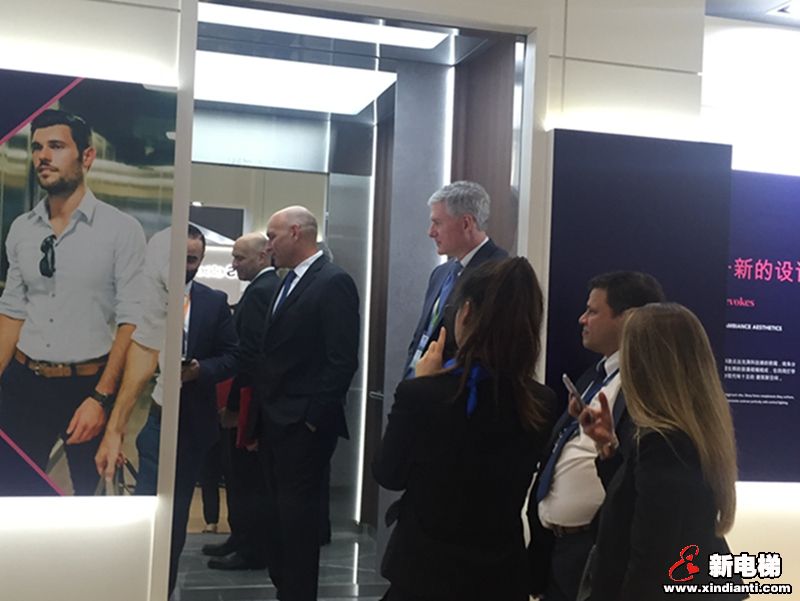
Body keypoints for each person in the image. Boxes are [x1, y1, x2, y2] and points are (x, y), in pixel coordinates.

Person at [374, 258, 559, 601]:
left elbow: (389, 474)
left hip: (425, 573)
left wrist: (423, 382)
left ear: (466, 312)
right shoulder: (542, 403)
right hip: (500, 575)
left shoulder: (423, 395)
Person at [0, 109, 146, 495]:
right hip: (22, 383)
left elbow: (131, 320)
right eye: (37, 148)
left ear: (87, 156)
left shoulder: (121, 230)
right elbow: (12, 311)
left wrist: (101, 397)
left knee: (87, 501)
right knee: (11, 495)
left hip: (87, 386)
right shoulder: (22, 229)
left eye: (56, 146)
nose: (43, 157)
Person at [575, 303, 744, 600]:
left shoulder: (664, 444)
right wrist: (608, 448)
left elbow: (651, 565)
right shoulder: (684, 436)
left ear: (642, 365)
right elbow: (638, 506)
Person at [245, 206, 359, 601]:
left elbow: (342, 360)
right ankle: (285, 590)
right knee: (277, 520)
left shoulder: (333, 282)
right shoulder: (286, 282)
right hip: (274, 422)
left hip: (302, 427)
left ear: (296, 232)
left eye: (273, 236)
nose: (268, 245)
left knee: (298, 525)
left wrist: (311, 419)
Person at [528, 271, 665, 601]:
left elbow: (637, 475)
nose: (582, 319)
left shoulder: (646, 386)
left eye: (593, 311)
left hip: (595, 547)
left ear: (627, 318)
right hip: (557, 548)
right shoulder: (595, 376)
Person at [204, 232, 279, 570]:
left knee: (246, 477)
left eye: (240, 258)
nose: (234, 265)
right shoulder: (261, 289)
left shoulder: (262, 291)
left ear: (262, 257)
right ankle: (240, 537)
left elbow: (250, 355)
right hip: (245, 397)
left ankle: (251, 547)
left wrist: (235, 406)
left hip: (248, 399)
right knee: (236, 474)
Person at [403, 181, 507, 378]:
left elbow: (490, 350)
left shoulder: (499, 273)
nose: (430, 232)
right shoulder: (440, 273)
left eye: (437, 223)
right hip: (418, 384)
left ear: (466, 223)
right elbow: (422, 336)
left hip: (455, 389)